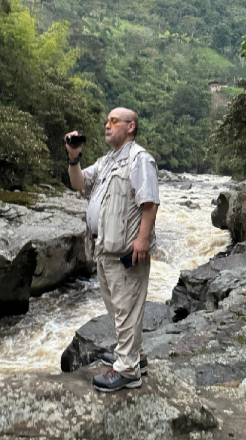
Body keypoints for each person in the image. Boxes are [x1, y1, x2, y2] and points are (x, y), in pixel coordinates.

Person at [65, 107, 160, 392]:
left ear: (131, 127)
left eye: (114, 121)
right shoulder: (107, 161)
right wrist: (73, 157)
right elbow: (79, 183)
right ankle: (132, 356)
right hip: (103, 248)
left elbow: (150, 203)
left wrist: (142, 240)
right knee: (118, 307)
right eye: (106, 121)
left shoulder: (139, 159)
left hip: (126, 249)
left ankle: (128, 371)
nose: (107, 125)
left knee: (126, 307)